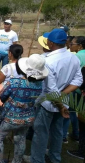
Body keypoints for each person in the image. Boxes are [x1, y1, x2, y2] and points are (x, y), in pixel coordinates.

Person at [31, 29, 83, 163]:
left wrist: (59, 104)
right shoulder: (73, 57)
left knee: (41, 134)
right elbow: (78, 81)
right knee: (57, 133)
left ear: (50, 43)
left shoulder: (48, 61)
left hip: (49, 104)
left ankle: (38, 160)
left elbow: (51, 90)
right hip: (62, 102)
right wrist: (62, 95)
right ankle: (55, 158)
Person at [0, 54, 48, 163]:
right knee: (20, 139)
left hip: (9, 118)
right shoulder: (40, 85)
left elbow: (2, 97)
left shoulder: (15, 82)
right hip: (28, 118)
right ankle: (17, 161)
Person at [0, 44, 23, 128]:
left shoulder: (7, 68)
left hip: (6, 95)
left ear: (10, 53)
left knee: (0, 114)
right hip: (20, 94)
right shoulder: (24, 66)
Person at [67, 36, 85, 159]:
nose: (70, 45)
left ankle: (76, 134)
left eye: (72, 43)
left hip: (77, 90)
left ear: (80, 46)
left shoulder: (77, 56)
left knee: (73, 113)